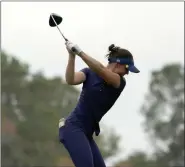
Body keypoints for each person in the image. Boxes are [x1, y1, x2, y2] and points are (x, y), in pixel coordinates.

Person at [59, 41, 140, 167]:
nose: (127, 73)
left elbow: (101, 70)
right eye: (127, 69)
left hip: (87, 133)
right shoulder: (88, 73)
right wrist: (72, 56)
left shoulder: (119, 82)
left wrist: (80, 52)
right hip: (73, 127)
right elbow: (71, 79)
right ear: (118, 64)